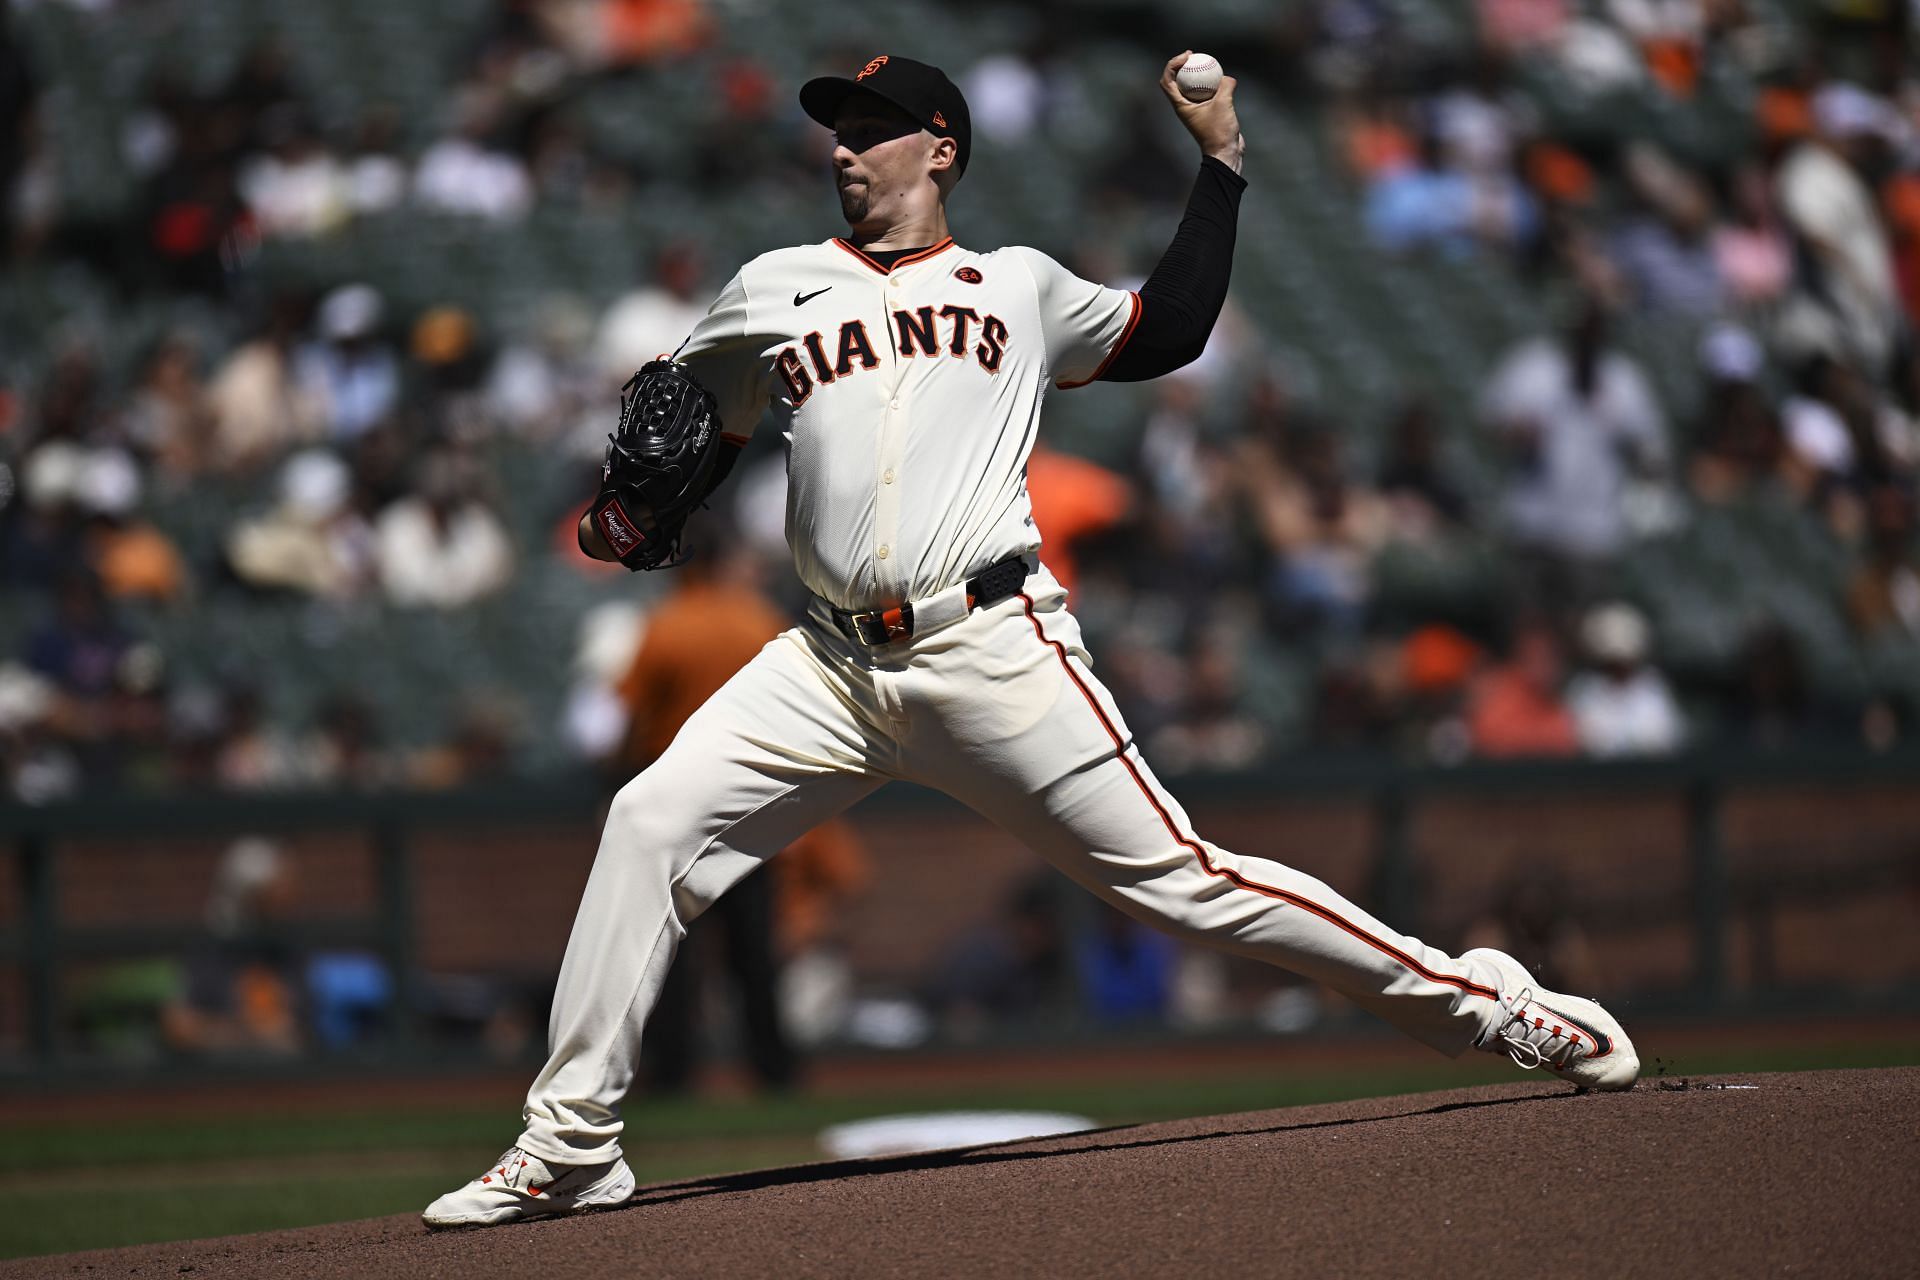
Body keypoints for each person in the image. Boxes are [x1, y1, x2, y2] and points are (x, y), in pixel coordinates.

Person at [424, 52, 1640, 1230]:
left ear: (940, 148)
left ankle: (1488, 1004)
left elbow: (1166, 330)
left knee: (1190, 884)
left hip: (989, 643)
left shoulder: (1018, 283)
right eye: (838, 127)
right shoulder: (774, 283)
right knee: (648, 820)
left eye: (873, 125)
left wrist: (1220, 168)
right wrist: (653, 503)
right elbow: (699, 424)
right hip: (831, 664)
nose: (846, 145)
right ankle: (572, 1144)